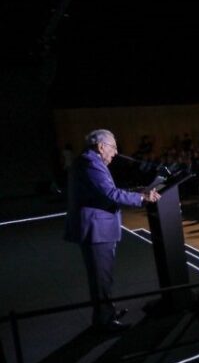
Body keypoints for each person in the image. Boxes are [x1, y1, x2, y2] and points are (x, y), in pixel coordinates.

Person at [65, 129, 161, 332]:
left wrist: (136, 192)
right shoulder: (91, 163)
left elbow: (104, 191)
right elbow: (110, 193)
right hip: (96, 230)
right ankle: (104, 322)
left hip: (96, 228)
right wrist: (142, 198)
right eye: (114, 147)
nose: (116, 153)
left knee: (103, 276)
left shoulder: (88, 160)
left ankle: (106, 313)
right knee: (101, 278)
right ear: (101, 146)